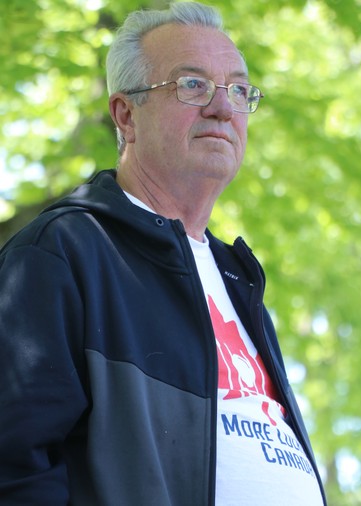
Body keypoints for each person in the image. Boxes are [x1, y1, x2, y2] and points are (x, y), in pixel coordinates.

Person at [0, 2, 327, 505]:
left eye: (238, 90)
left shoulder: (240, 283)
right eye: (192, 84)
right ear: (126, 115)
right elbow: (13, 466)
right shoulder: (65, 252)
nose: (223, 108)